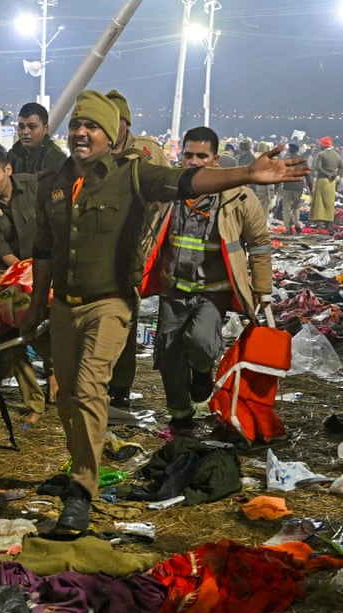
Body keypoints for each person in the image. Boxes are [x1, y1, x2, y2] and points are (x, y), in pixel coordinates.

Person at [21, 90, 307, 537]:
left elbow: (186, 182)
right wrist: (37, 302)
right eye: (77, 125)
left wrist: (246, 174)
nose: (81, 133)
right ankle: (89, 460)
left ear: (110, 135)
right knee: (67, 400)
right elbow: (42, 248)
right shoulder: (51, 183)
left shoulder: (133, 175)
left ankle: (80, 491)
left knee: (89, 387)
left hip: (111, 303)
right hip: (63, 307)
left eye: (92, 126)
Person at [139, 126, 273, 430]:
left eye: (202, 156)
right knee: (170, 356)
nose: (194, 161)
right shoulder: (167, 192)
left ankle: (202, 373)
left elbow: (260, 242)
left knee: (201, 343)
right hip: (173, 290)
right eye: (188, 155)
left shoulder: (237, 196)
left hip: (213, 292)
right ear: (180, 155)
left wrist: (263, 289)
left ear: (215, 160)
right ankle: (181, 416)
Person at [104, 89, 170, 412]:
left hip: (135, 248)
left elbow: (168, 196)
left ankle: (119, 388)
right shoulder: (92, 151)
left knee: (125, 319)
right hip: (99, 248)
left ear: (126, 123)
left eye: (113, 121)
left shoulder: (147, 153)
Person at [0, 148, 47, 424]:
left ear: (8, 170)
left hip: (47, 270)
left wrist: (43, 272)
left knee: (50, 338)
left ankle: (59, 384)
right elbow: (1, 250)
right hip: (10, 276)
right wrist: (25, 275)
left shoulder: (37, 186)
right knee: (12, 341)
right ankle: (34, 402)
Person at [7, 102, 67, 174]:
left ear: (45, 129)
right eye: (21, 127)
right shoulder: (12, 155)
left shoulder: (56, 158)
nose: (25, 132)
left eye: (32, 127)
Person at [310, 136, 340, 228]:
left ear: (323, 145)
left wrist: (327, 174)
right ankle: (328, 221)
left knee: (320, 201)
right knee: (329, 201)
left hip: (322, 180)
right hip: (332, 182)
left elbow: (317, 167)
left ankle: (319, 222)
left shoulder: (321, 154)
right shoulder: (337, 155)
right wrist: (335, 174)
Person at [278, 143, 306, 234]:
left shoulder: (285, 160)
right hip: (299, 187)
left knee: (286, 208)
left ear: (289, 150)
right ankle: (297, 224)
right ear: (297, 150)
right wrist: (310, 187)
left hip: (287, 186)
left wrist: (276, 187)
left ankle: (288, 229)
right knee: (296, 206)